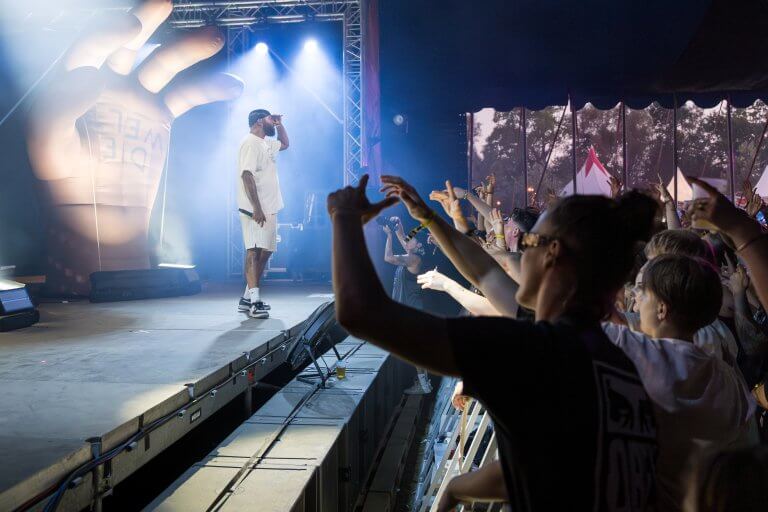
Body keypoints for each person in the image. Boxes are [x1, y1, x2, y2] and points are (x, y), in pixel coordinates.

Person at [328, 174, 659, 511]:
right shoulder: (621, 368)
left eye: (528, 241)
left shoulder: (528, 351)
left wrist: (344, 218)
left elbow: (361, 313)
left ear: (552, 254)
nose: (517, 254)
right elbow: (484, 273)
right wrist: (427, 217)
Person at [604, 254, 755, 511]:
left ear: (661, 309)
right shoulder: (727, 377)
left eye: (643, 294)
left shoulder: (637, 350)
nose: (636, 301)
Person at [237, 109, 289, 318]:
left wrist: (279, 124)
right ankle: (255, 302)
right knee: (254, 251)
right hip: (254, 209)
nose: (272, 121)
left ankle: (246, 298)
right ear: (259, 121)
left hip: (270, 207)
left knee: (266, 251)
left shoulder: (265, 143)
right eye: (269, 118)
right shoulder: (250, 143)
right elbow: (246, 175)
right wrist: (256, 208)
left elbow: (285, 144)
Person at [382, 217, 432, 394]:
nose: (407, 240)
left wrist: (389, 236)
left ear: (417, 246)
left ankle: (424, 385)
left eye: (412, 239)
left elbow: (388, 257)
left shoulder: (414, 259)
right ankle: (424, 382)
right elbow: (404, 237)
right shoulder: (414, 254)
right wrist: (398, 226)